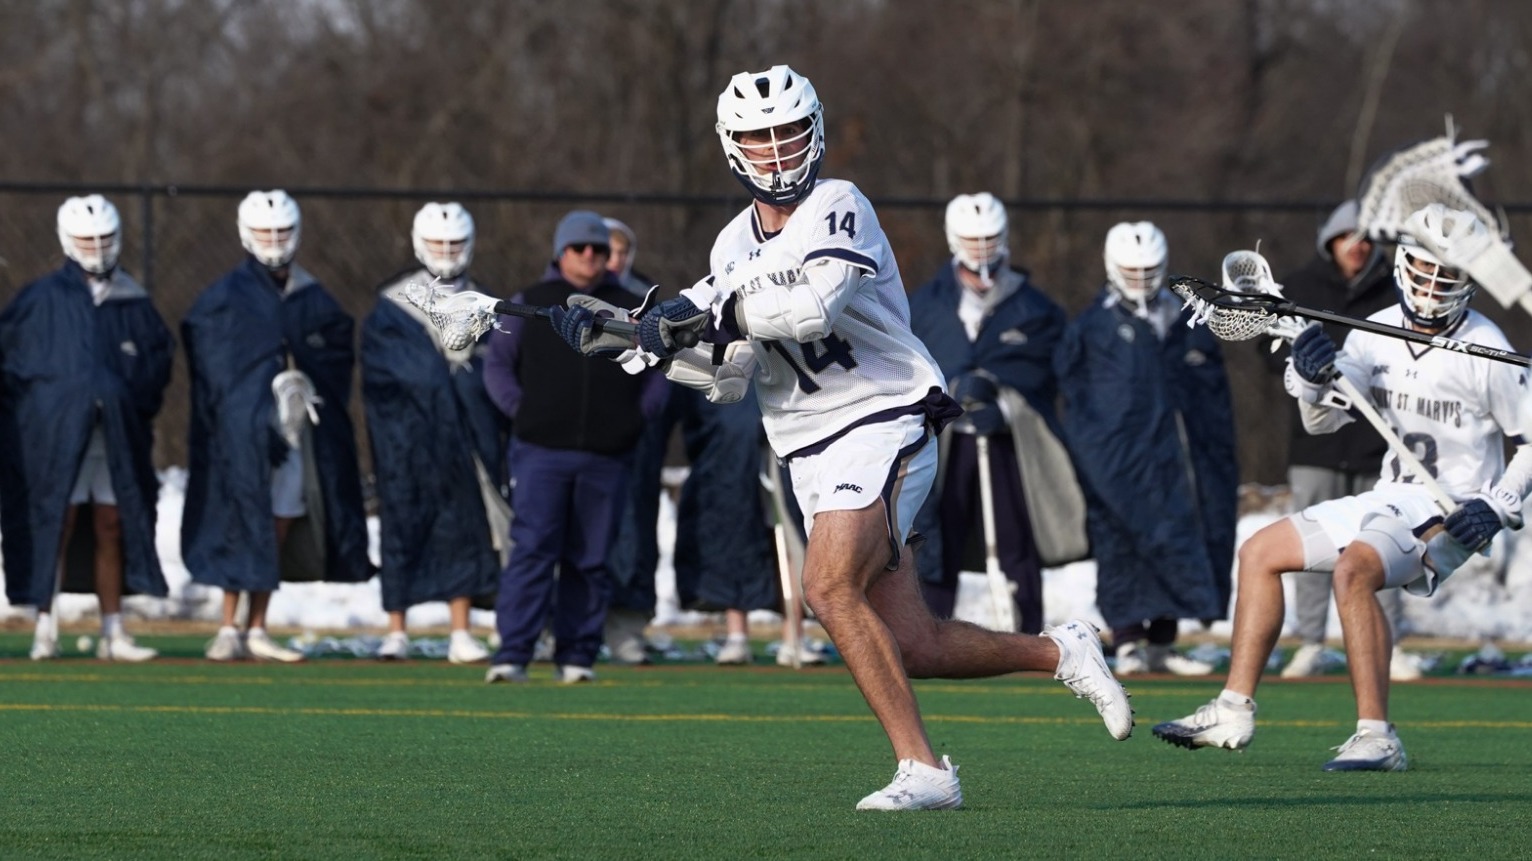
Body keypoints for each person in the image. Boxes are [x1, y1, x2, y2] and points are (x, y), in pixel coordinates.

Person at [550, 64, 1133, 810]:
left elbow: (814, 307)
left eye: (787, 132)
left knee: (826, 586)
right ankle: (1061, 649)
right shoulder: (730, 245)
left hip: (885, 415)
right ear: (733, 148)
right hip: (806, 445)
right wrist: (618, 333)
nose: (775, 152)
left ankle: (925, 769)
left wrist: (702, 316)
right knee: (913, 643)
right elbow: (726, 376)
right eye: (757, 140)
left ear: (814, 132)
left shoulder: (838, 204)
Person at [1153, 204, 1531, 772]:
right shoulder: (1373, 335)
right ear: (1404, 265)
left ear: (1466, 282)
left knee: (1355, 571)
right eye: (1423, 272)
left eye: (1445, 277)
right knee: (1258, 552)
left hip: (1450, 510)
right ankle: (1233, 707)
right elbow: (1322, 421)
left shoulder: (1489, 349)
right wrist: (1308, 376)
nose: (1431, 288)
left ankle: (1377, 735)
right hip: (1390, 495)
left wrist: (1495, 507)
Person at [182, 190, 373, 662]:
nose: (274, 241)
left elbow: (332, 355)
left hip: (296, 435)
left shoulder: (315, 298)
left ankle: (258, 626)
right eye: (266, 232)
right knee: (237, 514)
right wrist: (243, 414)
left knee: (281, 517)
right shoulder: (223, 298)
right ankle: (227, 626)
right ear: (247, 234)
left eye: (282, 232)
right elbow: (212, 368)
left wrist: (303, 381)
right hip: (241, 435)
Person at [481, 211, 668, 684]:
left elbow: (658, 375)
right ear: (560, 252)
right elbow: (497, 367)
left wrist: (631, 421)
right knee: (532, 550)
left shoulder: (632, 309)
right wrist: (524, 413)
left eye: (599, 250)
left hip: (607, 454)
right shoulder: (530, 303)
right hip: (540, 451)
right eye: (580, 248)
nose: (589, 256)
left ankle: (578, 655)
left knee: (591, 556)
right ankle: (513, 653)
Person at [1054, 222, 1237, 676]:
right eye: (1132, 270)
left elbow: (1211, 393)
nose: (1141, 279)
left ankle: (1162, 640)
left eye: (1149, 270)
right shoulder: (1093, 328)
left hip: (1176, 454)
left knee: (1179, 532)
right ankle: (1129, 639)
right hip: (1118, 459)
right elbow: (1079, 399)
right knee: (1122, 541)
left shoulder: (1185, 320)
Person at [1, 195, 173, 661]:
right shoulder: (39, 300)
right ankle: (44, 627)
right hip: (56, 439)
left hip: (115, 436)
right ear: (67, 241)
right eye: (86, 240)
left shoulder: (134, 300)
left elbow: (158, 365)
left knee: (112, 524)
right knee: (56, 521)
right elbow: (14, 370)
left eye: (104, 239)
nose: (97, 248)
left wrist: (129, 406)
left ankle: (113, 632)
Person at [908, 192, 1077, 634]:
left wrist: (1006, 404)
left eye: (989, 238)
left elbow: (1049, 376)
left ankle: (1026, 632)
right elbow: (903, 369)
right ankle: (929, 632)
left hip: (1007, 443)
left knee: (1015, 535)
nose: (982, 249)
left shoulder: (1035, 309)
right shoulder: (924, 305)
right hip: (942, 443)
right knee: (935, 533)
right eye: (972, 239)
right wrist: (948, 393)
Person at [1265, 200, 1420, 682]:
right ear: (1329, 240)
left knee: (1388, 547)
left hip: (1378, 445)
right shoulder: (1301, 287)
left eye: (1368, 238)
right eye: (1348, 237)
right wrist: (1309, 371)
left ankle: (1389, 643)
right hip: (1317, 447)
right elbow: (1268, 351)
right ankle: (1311, 642)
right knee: (1308, 548)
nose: (1358, 247)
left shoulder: (1396, 292)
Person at [361, 202, 506, 663]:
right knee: (402, 526)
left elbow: (497, 372)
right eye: (439, 244)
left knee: (463, 529)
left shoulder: (487, 303)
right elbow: (382, 375)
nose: (447, 253)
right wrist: (435, 377)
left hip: (466, 442)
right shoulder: (392, 306)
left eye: (456, 244)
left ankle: (461, 631)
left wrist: (465, 377)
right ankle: (396, 629)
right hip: (409, 440)